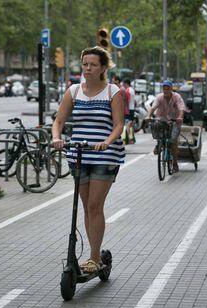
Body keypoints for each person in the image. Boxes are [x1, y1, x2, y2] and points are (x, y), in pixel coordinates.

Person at [52, 46, 125, 273]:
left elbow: (119, 125)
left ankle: (94, 257)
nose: (88, 68)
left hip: (104, 155)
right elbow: (58, 122)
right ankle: (93, 254)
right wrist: (57, 138)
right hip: (78, 154)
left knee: (95, 205)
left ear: (103, 67)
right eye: (85, 64)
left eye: (93, 65)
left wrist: (107, 141)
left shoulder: (112, 91)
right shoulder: (73, 91)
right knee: (85, 207)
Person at [146, 79, 185, 173]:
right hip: (161, 118)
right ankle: (158, 144)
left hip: (174, 120)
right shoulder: (159, 97)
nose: (166, 91)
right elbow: (153, 107)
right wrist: (149, 115)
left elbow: (181, 108)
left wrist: (180, 117)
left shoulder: (177, 97)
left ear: (171, 89)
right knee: (156, 127)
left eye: (168, 89)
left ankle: (175, 163)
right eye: (164, 89)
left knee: (173, 141)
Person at [112, 75, 130, 144]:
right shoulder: (118, 88)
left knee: (121, 125)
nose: (113, 81)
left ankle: (123, 139)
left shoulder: (121, 89)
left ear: (117, 81)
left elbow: (122, 101)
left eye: (114, 80)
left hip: (122, 111)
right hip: (119, 110)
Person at [124, 79, 136, 144]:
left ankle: (128, 139)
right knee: (131, 125)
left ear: (126, 83)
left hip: (128, 109)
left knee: (127, 125)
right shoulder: (132, 89)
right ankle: (131, 139)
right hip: (132, 108)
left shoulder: (127, 90)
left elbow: (127, 101)